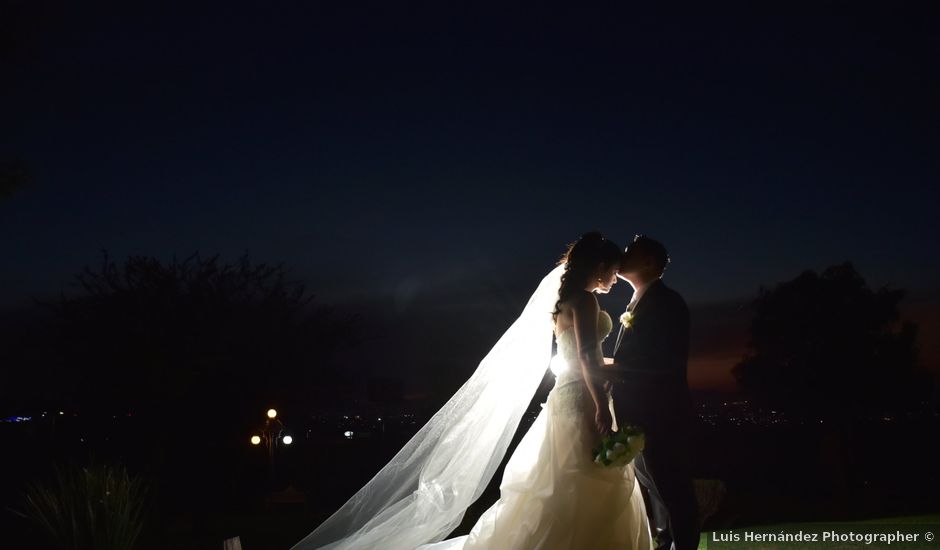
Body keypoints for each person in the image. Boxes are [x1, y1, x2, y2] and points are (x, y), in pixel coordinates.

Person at [292, 232, 653, 550]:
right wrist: (607, 402)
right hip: (584, 399)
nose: (615, 279)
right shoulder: (587, 301)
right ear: (601, 265)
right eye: (612, 270)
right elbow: (589, 359)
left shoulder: (564, 303)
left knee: (566, 479)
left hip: (567, 397)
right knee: (585, 476)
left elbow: (577, 358)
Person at [609, 235, 699, 550]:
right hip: (637, 414)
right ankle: (665, 543)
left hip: (660, 414)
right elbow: (629, 359)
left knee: (673, 488)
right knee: (655, 487)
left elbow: (659, 362)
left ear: (648, 262)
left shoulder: (666, 303)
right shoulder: (639, 301)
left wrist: (598, 368)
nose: (623, 254)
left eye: (630, 251)